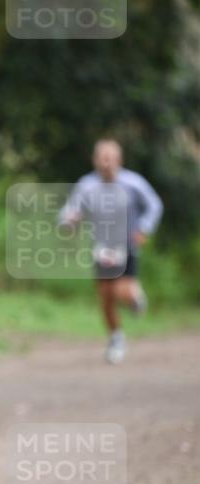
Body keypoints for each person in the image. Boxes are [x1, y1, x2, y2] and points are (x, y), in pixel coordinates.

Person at [60, 139, 163, 364]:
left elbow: (155, 205)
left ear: (119, 160)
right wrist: (69, 221)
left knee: (121, 293)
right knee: (106, 297)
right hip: (101, 247)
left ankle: (134, 297)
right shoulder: (86, 185)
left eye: (111, 158)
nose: (106, 162)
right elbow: (69, 211)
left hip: (126, 244)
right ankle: (116, 338)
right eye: (102, 157)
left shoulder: (133, 183)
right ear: (95, 160)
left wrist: (143, 228)